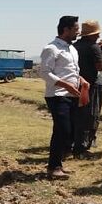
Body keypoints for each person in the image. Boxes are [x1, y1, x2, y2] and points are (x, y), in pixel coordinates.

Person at [40, 15, 82, 179]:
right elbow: (45, 72)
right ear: (66, 29)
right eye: (76, 29)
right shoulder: (51, 48)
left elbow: (72, 71)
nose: (78, 32)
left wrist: (82, 81)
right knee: (62, 130)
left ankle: (58, 164)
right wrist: (66, 85)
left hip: (72, 95)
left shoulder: (72, 49)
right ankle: (53, 167)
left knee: (69, 131)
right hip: (57, 95)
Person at [72, 20, 102, 156]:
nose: (98, 36)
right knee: (90, 115)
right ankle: (83, 147)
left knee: (77, 114)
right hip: (91, 84)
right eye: (96, 33)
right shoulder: (93, 47)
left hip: (76, 83)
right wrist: (100, 53)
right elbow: (100, 66)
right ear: (91, 35)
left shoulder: (75, 46)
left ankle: (73, 143)